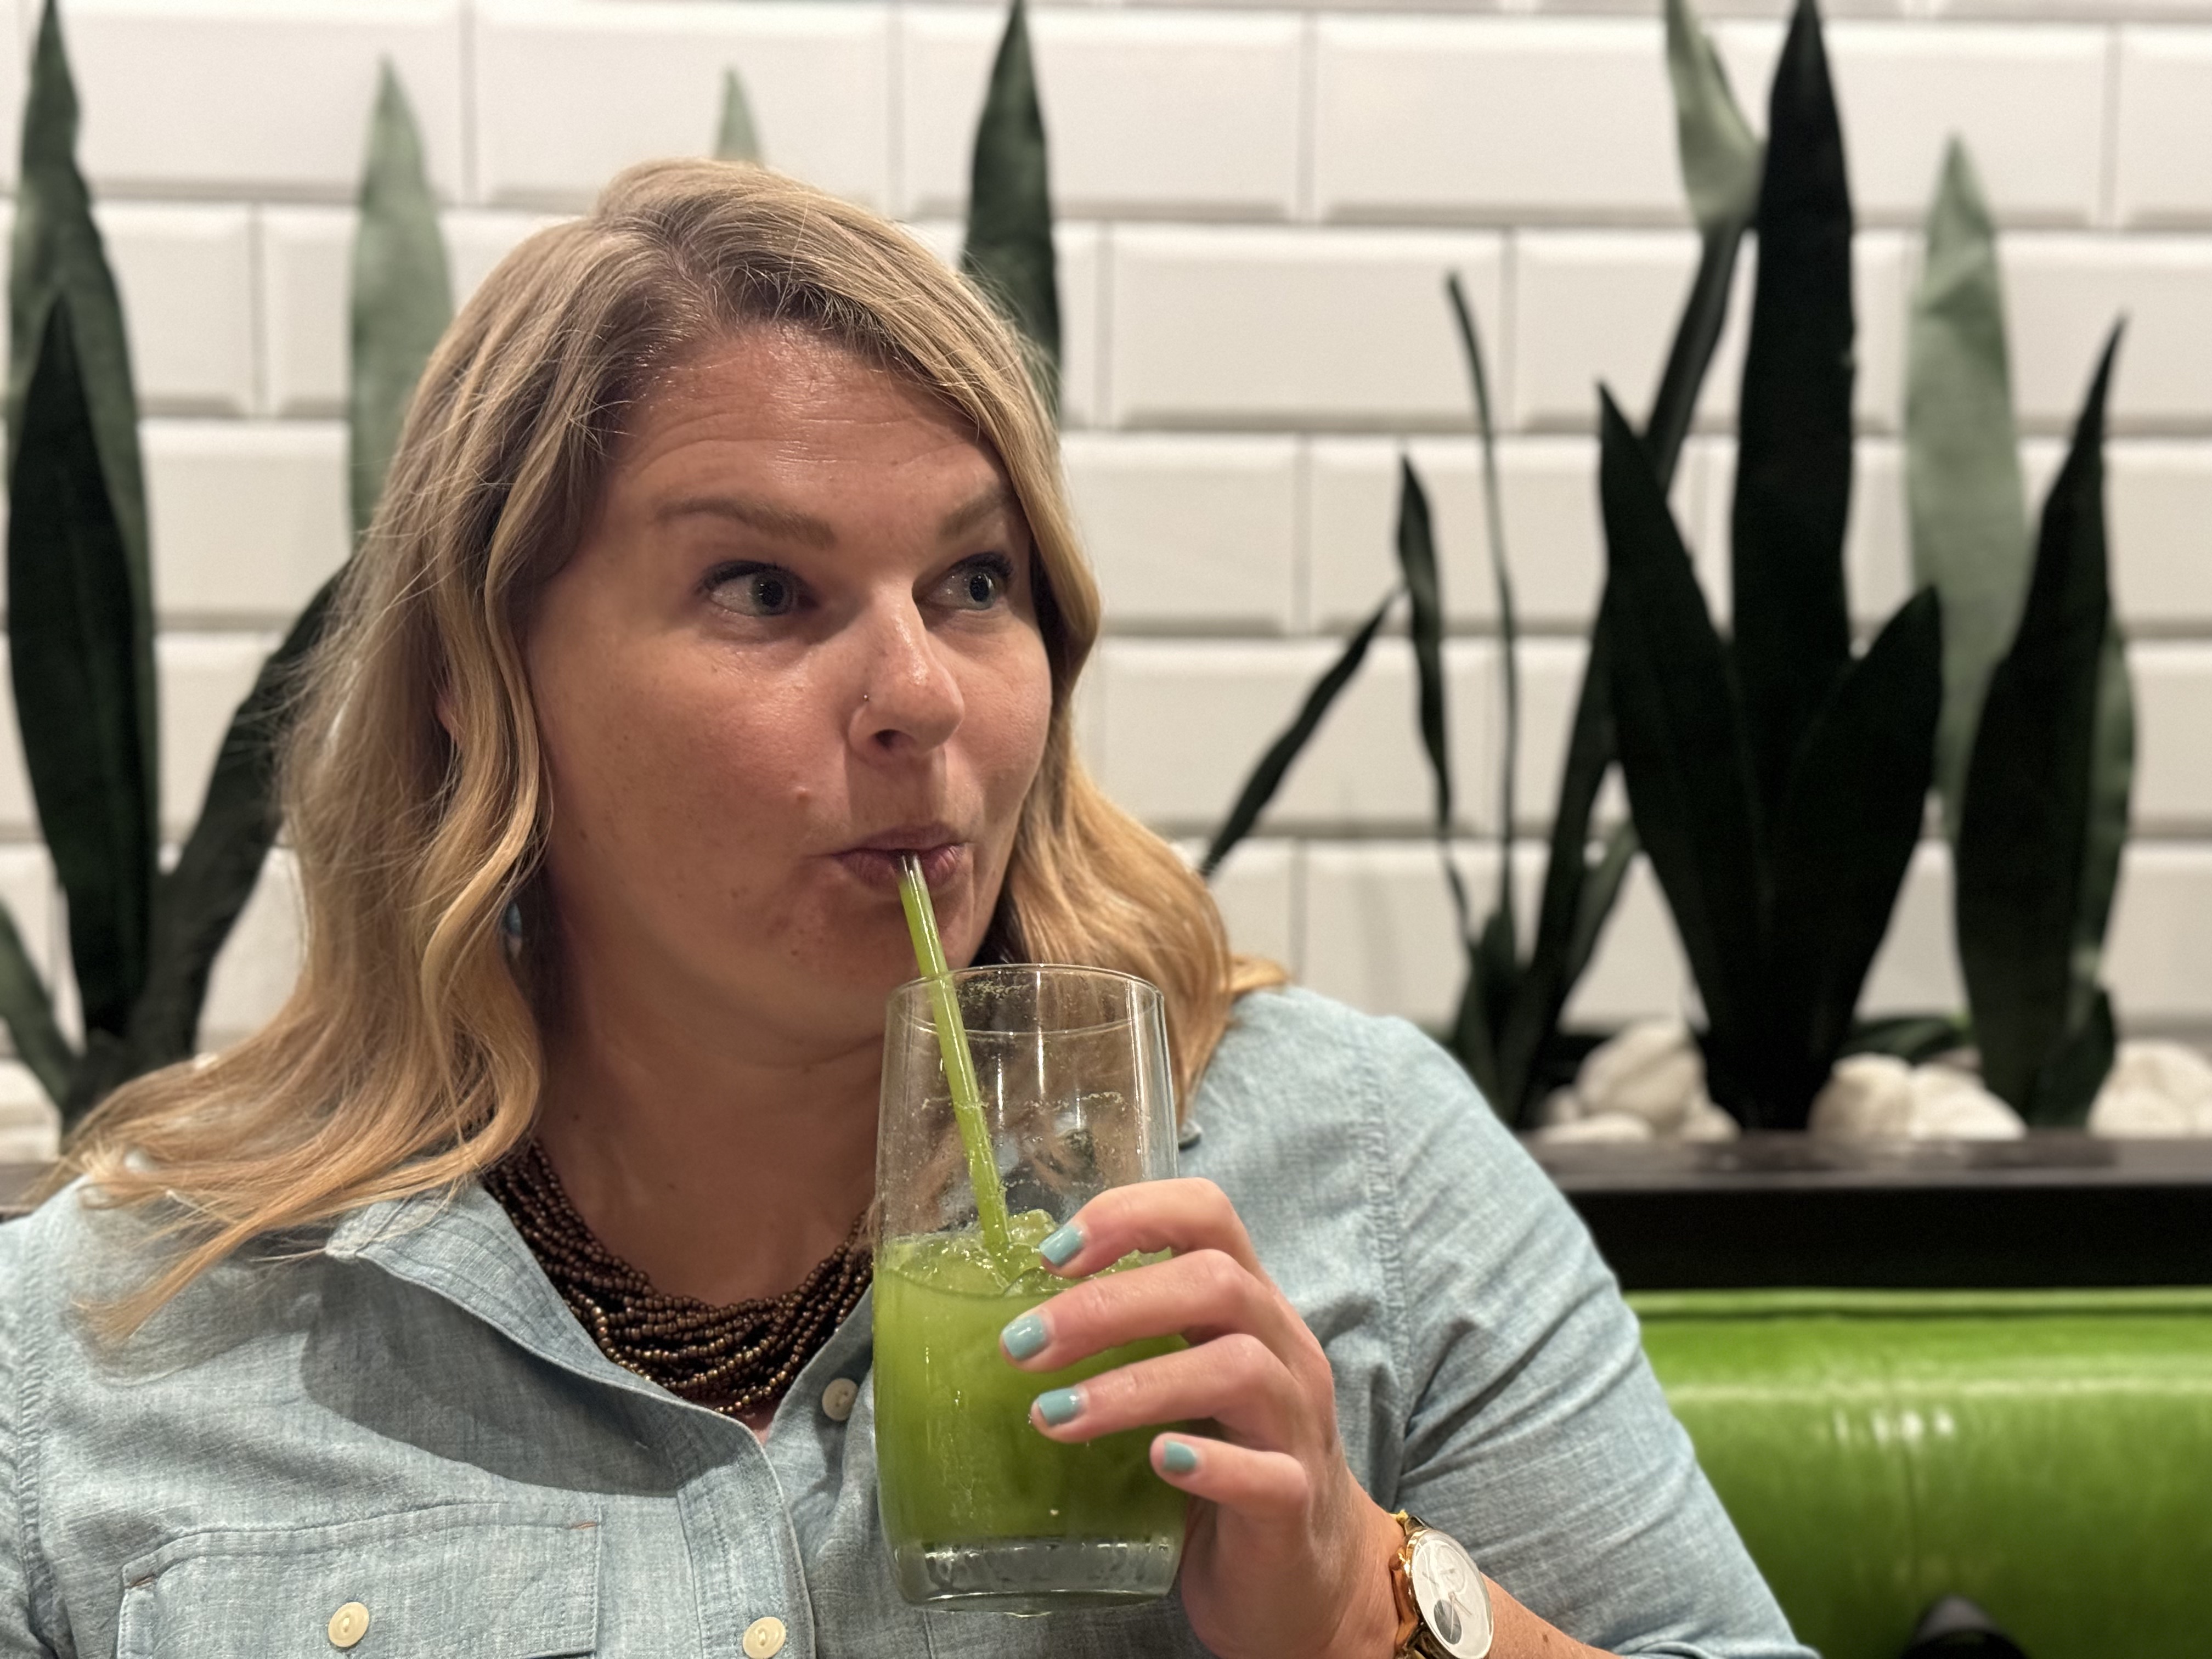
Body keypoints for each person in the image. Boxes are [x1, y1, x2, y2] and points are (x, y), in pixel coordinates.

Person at [0, 160, 1810, 1659]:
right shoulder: (113, 1338)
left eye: (973, 580)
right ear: (484, 682)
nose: (921, 694)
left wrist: (1358, 1606)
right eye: (765, 588)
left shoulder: (1350, 1162)